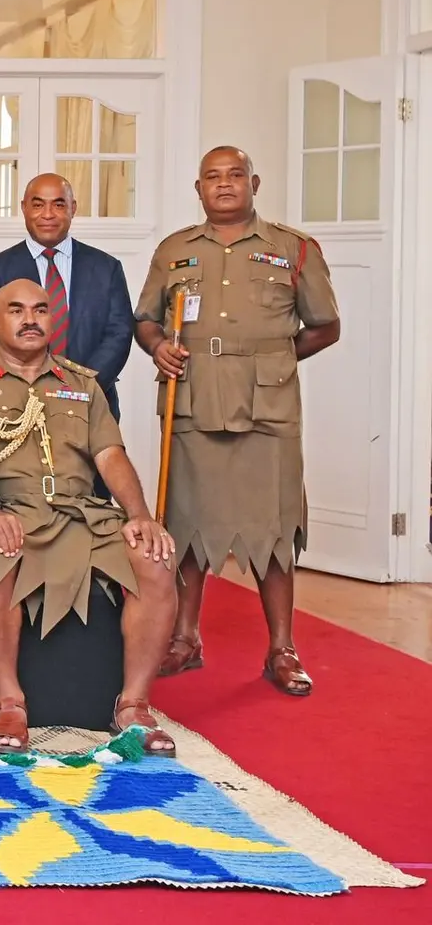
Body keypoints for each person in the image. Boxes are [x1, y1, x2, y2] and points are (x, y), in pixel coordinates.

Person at [0, 279, 179, 755]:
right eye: (16, 310)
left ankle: (132, 705)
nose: (30, 319)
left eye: (40, 310)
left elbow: (111, 456)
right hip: (7, 507)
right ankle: (9, 701)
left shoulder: (82, 383)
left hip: (80, 512)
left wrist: (140, 516)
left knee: (154, 559)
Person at [135, 146, 340, 695]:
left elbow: (324, 325)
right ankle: (184, 638)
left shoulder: (292, 249)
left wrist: (269, 360)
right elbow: (146, 321)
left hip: (266, 411)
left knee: (272, 530)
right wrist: (157, 348)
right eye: (212, 177)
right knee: (187, 524)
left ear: (255, 182)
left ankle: (281, 648)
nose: (224, 185)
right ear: (197, 188)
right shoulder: (174, 249)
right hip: (194, 402)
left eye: (234, 176)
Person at [0, 173, 134, 419]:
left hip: (92, 404)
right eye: (38, 205)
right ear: (24, 208)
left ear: (73, 208)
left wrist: (81, 389)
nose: (48, 214)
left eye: (59, 205)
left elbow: (119, 334)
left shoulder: (106, 267)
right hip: (16, 407)